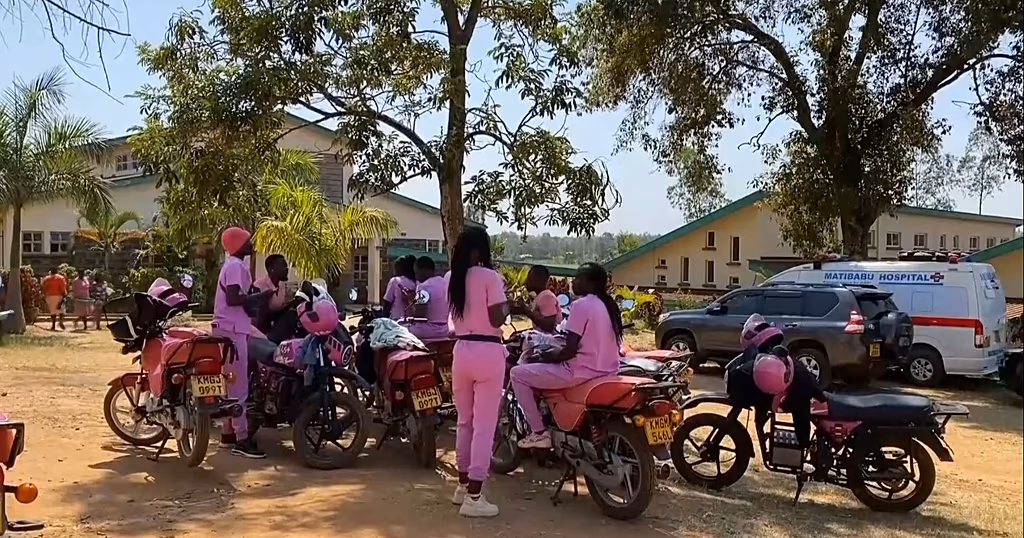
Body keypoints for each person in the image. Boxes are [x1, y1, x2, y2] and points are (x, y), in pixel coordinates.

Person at [510, 262, 622, 450]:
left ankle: (539, 433)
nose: (573, 281)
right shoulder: (609, 305)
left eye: (578, 278)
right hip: (607, 371)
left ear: (590, 283)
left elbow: (569, 351)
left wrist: (544, 356)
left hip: (580, 371)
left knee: (516, 374)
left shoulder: (581, 305)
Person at [446, 227, 507, 518]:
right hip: (488, 351)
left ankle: (461, 486)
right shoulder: (489, 277)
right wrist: (509, 306)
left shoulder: (451, 279)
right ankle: (475, 495)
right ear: (478, 251)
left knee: (465, 422)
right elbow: (497, 317)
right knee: (484, 426)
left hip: (462, 351)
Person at [213, 226, 276, 459]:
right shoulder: (236, 266)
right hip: (232, 330)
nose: (251, 244)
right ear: (238, 244)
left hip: (231, 328)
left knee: (232, 382)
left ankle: (229, 432)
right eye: (248, 241)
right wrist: (260, 296)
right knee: (238, 385)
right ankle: (242, 439)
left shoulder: (233, 266)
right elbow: (233, 298)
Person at [408, 256, 450, 341]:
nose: (416, 277)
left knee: (398, 329)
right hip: (445, 329)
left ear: (423, 271)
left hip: (428, 330)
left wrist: (410, 301)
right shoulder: (445, 283)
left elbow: (419, 315)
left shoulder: (423, 287)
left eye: (416, 273)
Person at [511, 265, 562, 334]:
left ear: (538, 280)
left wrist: (526, 310)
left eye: (529, 278)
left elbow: (548, 326)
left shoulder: (546, 296)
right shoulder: (541, 296)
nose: (526, 281)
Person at [252, 254, 291, 334]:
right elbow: (257, 314)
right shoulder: (259, 286)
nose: (287, 269)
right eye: (283, 265)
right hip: (259, 333)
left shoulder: (282, 286)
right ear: (271, 269)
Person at [383, 255, 417, 320]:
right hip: (414, 321)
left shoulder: (395, 281)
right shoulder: (418, 283)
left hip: (397, 322)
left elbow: (387, 304)